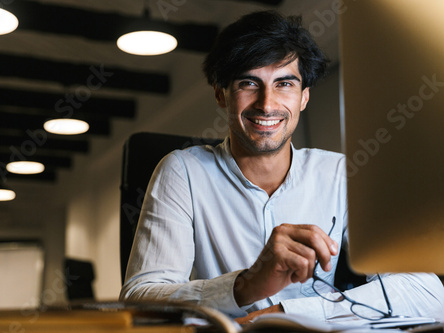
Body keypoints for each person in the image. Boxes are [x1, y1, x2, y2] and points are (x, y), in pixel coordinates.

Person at [119, 10, 444, 323]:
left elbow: (427, 293)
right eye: (248, 83)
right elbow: (139, 300)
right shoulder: (183, 172)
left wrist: (292, 314)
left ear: (304, 97)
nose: (267, 104)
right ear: (221, 94)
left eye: (284, 84)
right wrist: (245, 285)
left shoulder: (340, 175)